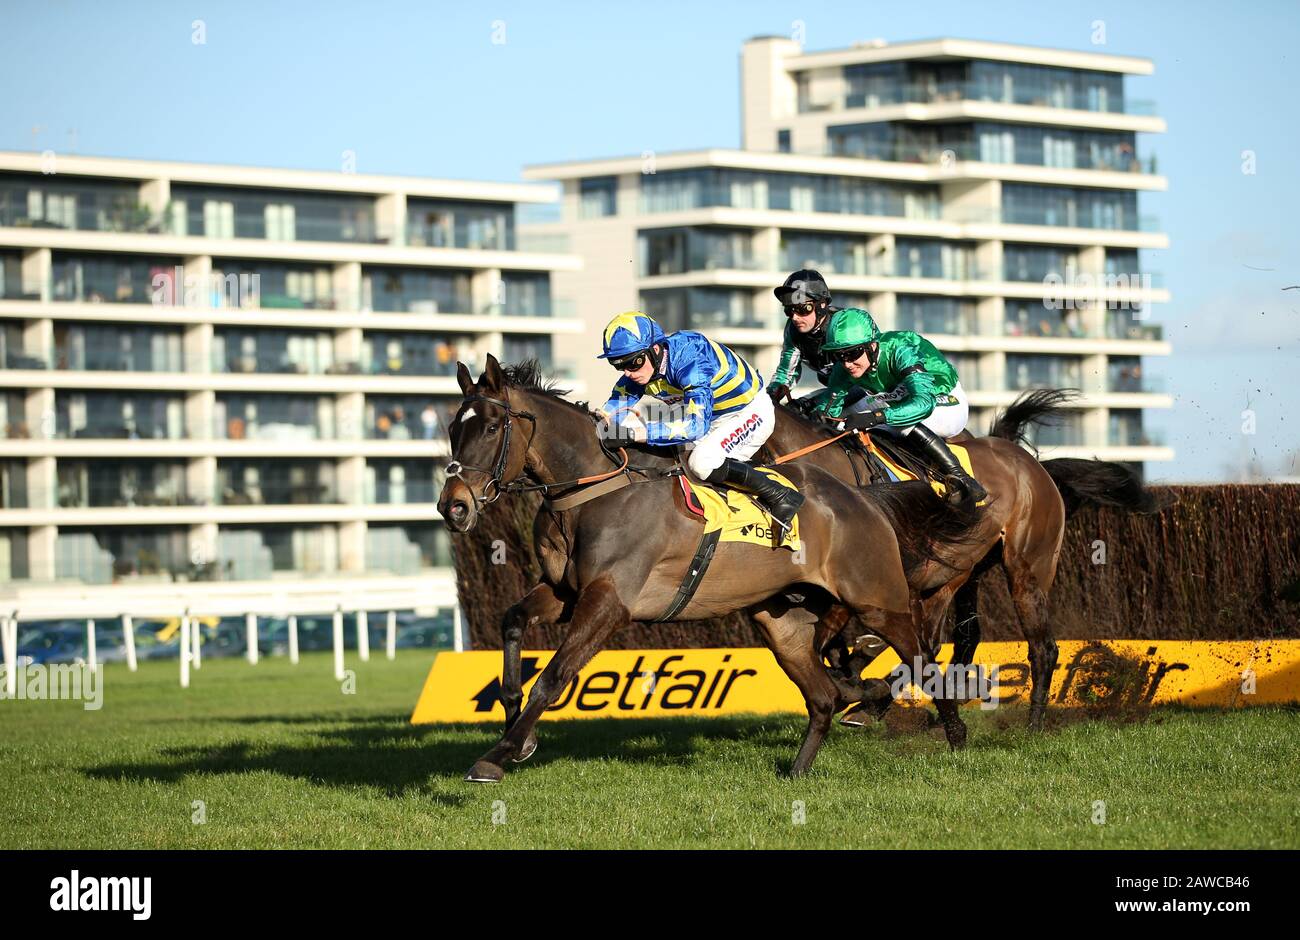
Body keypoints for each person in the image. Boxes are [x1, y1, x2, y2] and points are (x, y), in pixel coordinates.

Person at [596, 311, 803, 531]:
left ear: (655, 350)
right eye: (618, 365)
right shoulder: (640, 371)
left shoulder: (690, 357)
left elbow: (695, 426)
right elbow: (609, 415)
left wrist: (635, 433)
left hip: (748, 412)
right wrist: (600, 423)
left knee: (702, 463)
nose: (627, 373)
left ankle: (781, 495)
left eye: (633, 363)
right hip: (711, 419)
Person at [813, 308, 988, 504]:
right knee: (842, 419)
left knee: (901, 422)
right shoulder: (844, 367)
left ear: (872, 345)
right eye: (838, 355)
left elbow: (923, 403)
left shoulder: (901, 349)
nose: (847, 363)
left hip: (942, 399)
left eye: (853, 353)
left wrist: (877, 416)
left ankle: (962, 479)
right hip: (894, 398)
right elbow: (828, 411)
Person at [765, 269, 879, 414]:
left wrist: (810, 403)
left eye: (803, 309)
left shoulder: (845, 326)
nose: (794, 317)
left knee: (806, 406)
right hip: (835, 392)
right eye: (789, 310)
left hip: (872, 390)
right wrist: (768, 398)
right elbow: (786, 374)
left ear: (821, 305)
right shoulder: (793, 331)